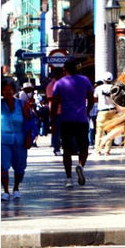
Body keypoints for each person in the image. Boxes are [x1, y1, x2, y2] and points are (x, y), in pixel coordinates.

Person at [51, 60, 94, 188]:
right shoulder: (85, 80)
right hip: (81, 119)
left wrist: (53, 119)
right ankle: (80, 165)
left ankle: (69, 178)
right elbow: (91, 98)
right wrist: (87, 111)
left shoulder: (59, 83)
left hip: (66, 119)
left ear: (65, 70)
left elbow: (54, 103)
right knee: (84, 147)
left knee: (67, 150)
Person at [1, 78, 34, 201]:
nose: (7, 92)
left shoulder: (22, 104)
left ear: (14, 91)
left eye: (10, 90)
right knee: (3, 167)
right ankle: (5, 190)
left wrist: (29, 138)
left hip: (20, 141)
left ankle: (16, 188)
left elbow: (30, 122)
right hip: (2, 141)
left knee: (20, 167)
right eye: (4, 90)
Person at [93, 72, 118, 155]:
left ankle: (98, 150)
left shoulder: (99, 88)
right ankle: (107, 150)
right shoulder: (115, 88)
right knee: (110, 132)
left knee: (99, 132)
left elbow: (95, 98)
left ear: (103, 80)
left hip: (102, 111)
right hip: (113, 111)